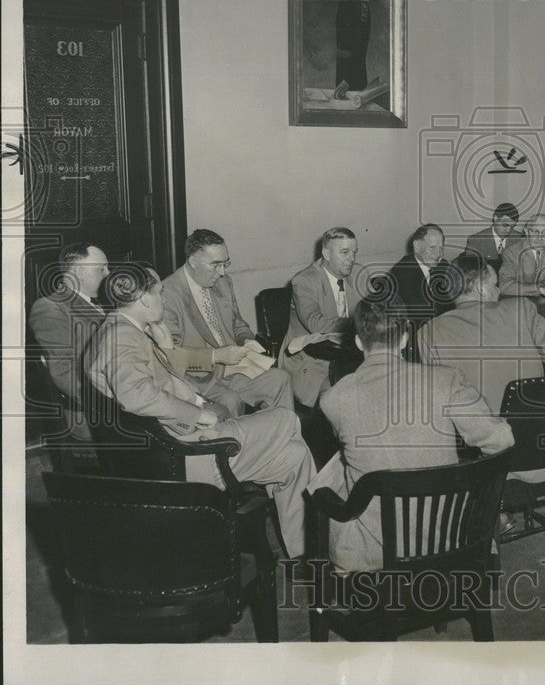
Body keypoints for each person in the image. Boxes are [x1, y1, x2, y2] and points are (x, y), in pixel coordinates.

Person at [87, 264, 315, 558]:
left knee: (295, 456)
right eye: (159, 293)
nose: (163, 299)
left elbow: (158, 383)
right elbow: (136, 395)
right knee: (287, 419)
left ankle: (302, 555)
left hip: (175, 449)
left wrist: (165, 347)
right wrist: (199, 414)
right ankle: (319, 532)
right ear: (144, 299)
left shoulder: (118, 329)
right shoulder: (123, 338)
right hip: (189, 457)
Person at [308, 298, 514, 573]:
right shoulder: (447, 380)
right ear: (405, 338)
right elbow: (503, 441)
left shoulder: (333, 399)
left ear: (358, 342)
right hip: (451, 538)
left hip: (376, 555)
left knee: (335, 471)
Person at [417, 252, 545, 416]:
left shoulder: (430, 332)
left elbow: (439, 401)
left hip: (477, 439)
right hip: (536, 425)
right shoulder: (521, 309)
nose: (498, 291)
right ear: (481, 288)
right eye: (494, 284)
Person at [161, 229, 293, 413]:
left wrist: (247, 341)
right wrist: (217, 356)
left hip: (232, 368)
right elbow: (169, 355)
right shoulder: (167, 293)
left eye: (225, 263)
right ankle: (241, 441)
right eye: (215, 265)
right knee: (230, 400)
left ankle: (285, 438)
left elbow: (238, 324)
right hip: (194, 377)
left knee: (280, 379)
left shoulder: (224, 283)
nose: (222, 272)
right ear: (193, 262)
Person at [28, 242, 110, 442]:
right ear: (80, 272)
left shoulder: (101, 303)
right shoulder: (50, 308)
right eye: (102, 269)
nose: (108, 274)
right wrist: (111, 402)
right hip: (90, 415)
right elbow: (64, 372)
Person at [281, 227, 362, 406]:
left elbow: (374, 307)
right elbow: (315, 323)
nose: (352, 259)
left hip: (349, 357)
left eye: (354, 252)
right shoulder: (304, 281)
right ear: (326, 253)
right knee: (346, 399)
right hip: (313, 362)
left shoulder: (357, 274)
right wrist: (360, 324)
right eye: (344, 252)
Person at [386, 223, 455, 327]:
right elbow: (417, 316)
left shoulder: (444, 266)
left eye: (441, 248)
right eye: (432, 247)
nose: (438, 254)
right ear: (417, 246)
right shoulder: (401, 273)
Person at [498, 213, 545, 299]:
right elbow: (504, 286)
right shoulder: (511, 253)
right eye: (536, 232)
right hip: (520, 304)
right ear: (527, 232)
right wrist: (541, 289)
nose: (540, 238)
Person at [465, 202, 523, 273]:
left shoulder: (521, 239)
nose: (508, 230)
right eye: (505, 225)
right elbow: (470, 272)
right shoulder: (476, 240)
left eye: (512, 226)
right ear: (495, 219)